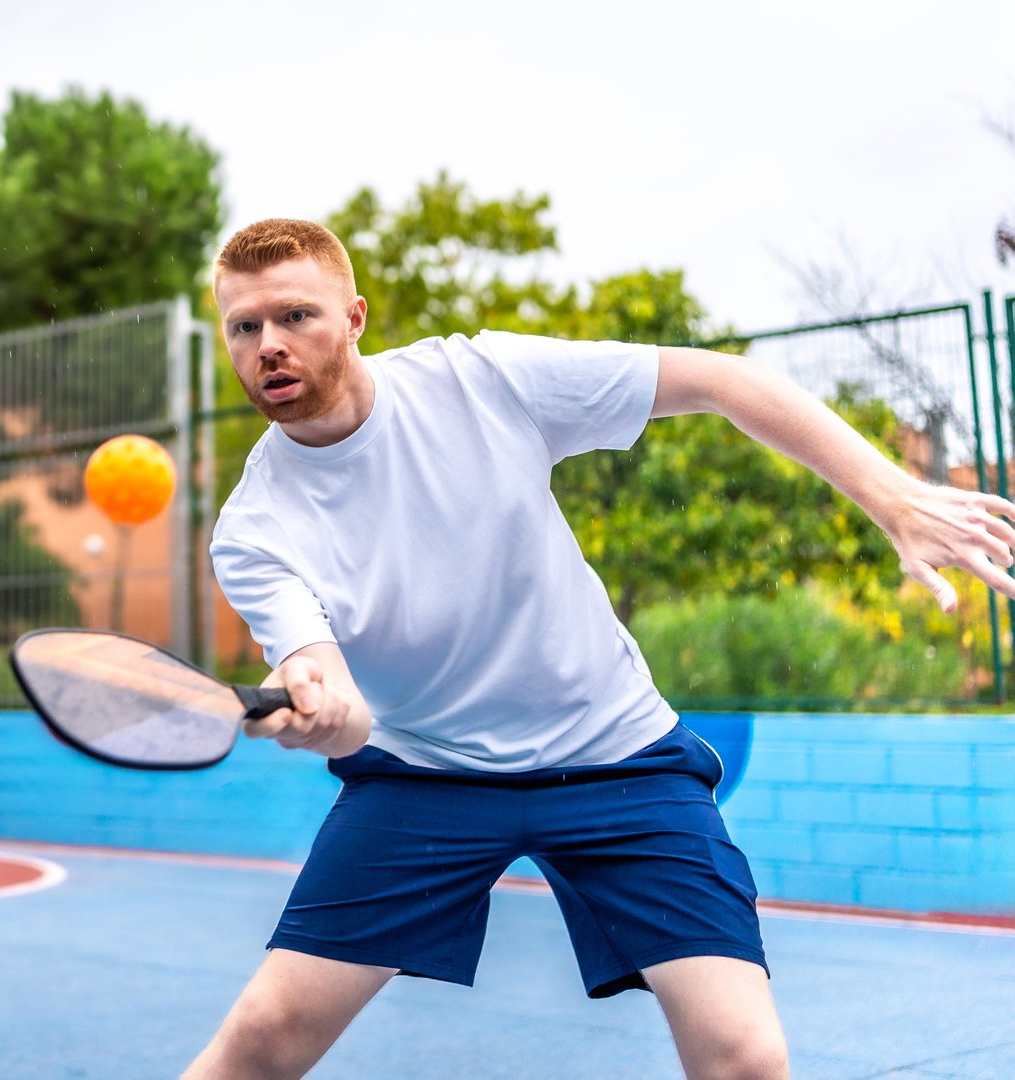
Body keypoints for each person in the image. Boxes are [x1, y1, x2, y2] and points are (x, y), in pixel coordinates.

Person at [187, 219, 1015, 1080]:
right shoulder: (254, 529)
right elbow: (341, 704)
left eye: (295, 317)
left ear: (354, 317)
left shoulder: (479, 379)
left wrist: (893, 495)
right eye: (245, 327)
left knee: (745, 1057)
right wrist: (318, 716)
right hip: (425, 775)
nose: (269, 346)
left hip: (614, 756)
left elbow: (725, 380)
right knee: (263, 1039)